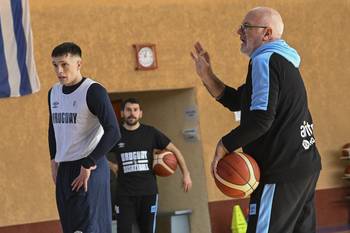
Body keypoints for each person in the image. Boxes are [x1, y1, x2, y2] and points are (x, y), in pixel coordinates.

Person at [191, 7, 321, 233]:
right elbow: (238, 101)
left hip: (281, 170)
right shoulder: (282, 61)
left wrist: (224, 145)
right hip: (304, 166)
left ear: (267, 34)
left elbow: (261, 120)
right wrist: (207, 76)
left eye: (246, 27)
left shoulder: (265, 60)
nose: (238, 31)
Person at [48, 42, 121, 233]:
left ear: (79, 63)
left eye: (64, 64)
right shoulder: (53, 92)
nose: (59, 70)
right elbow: (53, 129)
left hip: (89, 167)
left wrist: (89, 162)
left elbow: (113, 131)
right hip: (65, 168)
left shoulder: (93, 91)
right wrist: (54, 160)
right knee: (71, 229)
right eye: (55, 65)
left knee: (90, 229)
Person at [109, 97, 192, 233]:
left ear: (140, 113)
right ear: (122, 113)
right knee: (123, 230)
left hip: (148, 192)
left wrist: (186, 174)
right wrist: (111, 165)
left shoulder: (150, 133)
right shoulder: (116, 135)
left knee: (147, 230)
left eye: (135, 110)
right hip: (124, 194)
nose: (132, 113)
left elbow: (175, 150)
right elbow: (97, 153)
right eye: (128, 110)